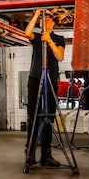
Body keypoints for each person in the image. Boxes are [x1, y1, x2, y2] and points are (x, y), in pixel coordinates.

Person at [24, 9, 66, 167]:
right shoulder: (36, 37)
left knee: (49, 116)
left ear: (53, 23)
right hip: (35, 80)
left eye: (48, 20)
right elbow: (27, 33)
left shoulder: (58, 39)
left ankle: (46, 155)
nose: (45, 22)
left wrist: (49, 41)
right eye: (43, 20)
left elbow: (60, 56)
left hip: (50, 81)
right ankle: (30, 153)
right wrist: (36, 14)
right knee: (33, 117)